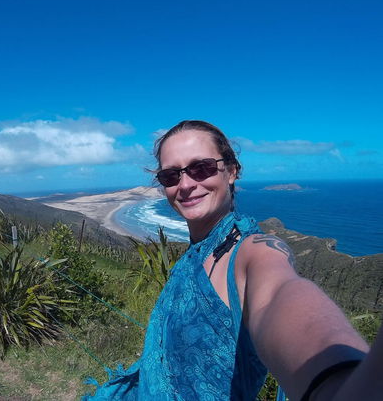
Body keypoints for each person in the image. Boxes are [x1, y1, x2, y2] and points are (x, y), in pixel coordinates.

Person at [84, 121, 383, 401]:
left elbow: (279, 293)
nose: (185, 184)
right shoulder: (197, 251)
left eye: (201, 168)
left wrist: (339, 379)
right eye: (171, 175)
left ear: (231, 171)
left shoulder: (252, 252)